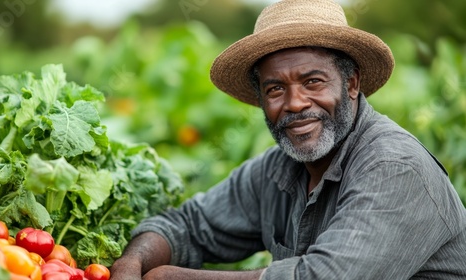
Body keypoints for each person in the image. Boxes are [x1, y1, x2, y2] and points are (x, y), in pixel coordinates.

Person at [110, 0, 466, 279]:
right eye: (275, 88)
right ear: (262, 100)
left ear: (352, 83)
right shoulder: (277, 171)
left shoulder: (394, 166)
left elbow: (327, 278)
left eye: (313, 82)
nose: (295, 104)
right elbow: (186, 225)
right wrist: (131, 263)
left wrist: (171, 277)